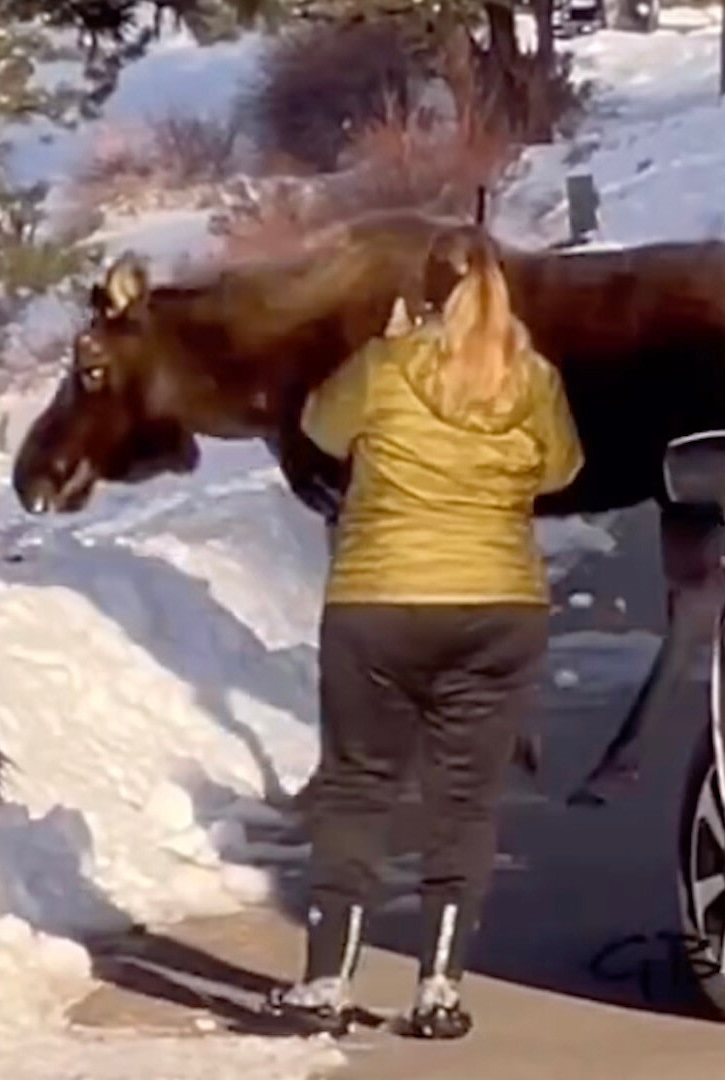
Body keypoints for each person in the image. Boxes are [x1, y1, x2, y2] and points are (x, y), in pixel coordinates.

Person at [274, 226, 583, 1039]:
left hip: (380, 601)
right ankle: (439, 987)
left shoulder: (385, 368)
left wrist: (389, 349)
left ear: (427, 293)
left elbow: (318, 428)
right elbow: (562, 470)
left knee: (358, 785)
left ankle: (327, 982)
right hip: (499, 609)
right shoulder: (536, 378)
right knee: (466, 801)